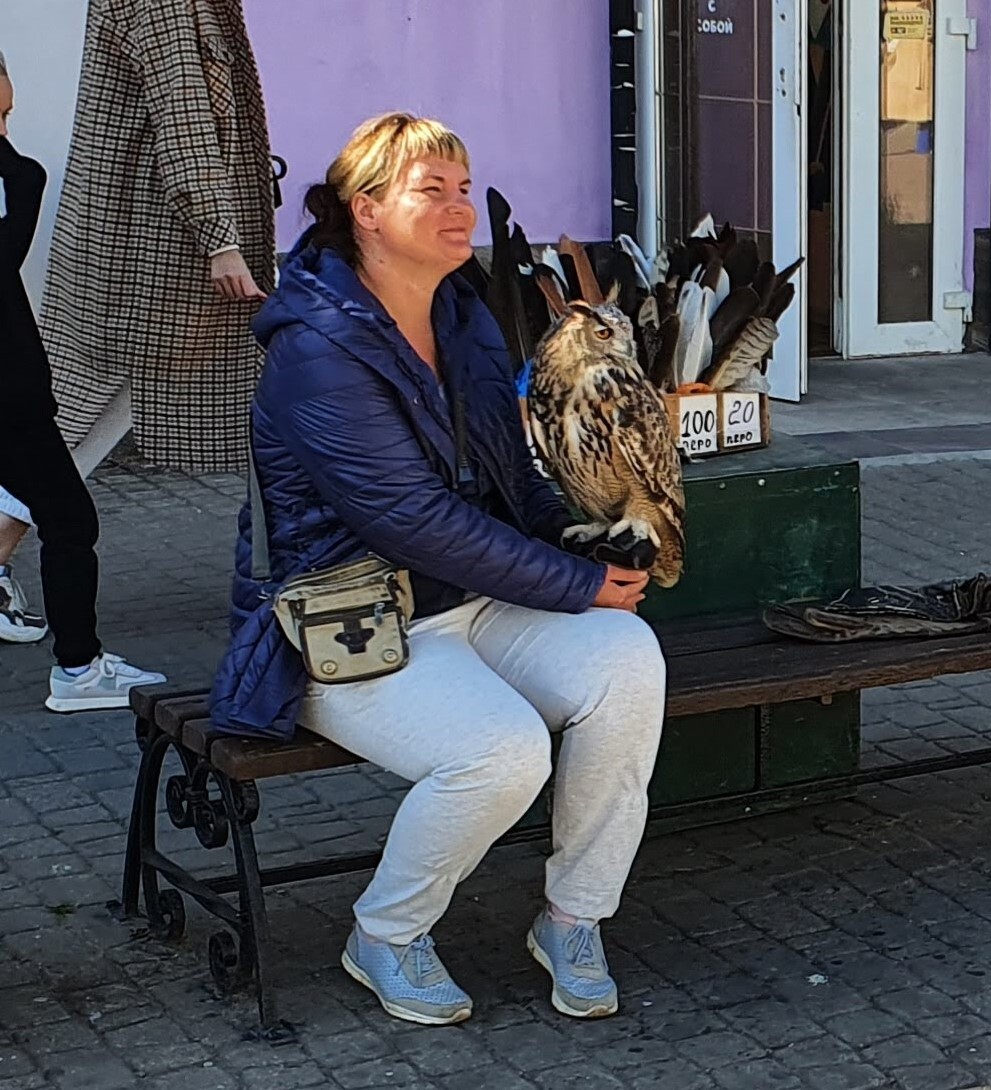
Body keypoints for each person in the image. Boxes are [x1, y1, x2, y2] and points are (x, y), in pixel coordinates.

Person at [207, 113, 667, 1025]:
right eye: (432, 191)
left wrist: (584, 545)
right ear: (365, 210)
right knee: (499, 752)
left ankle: (574, 915)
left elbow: (511, 471)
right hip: (345, 622)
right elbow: (412, 521)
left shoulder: (460, 317)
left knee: (626, 661)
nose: (459, 210)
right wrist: (572, 585)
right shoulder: (314, 351)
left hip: (474, 601)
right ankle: (386, 931)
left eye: (464, 189)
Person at [0, 0, 277, 598]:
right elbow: (183, 117)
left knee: (92, 405)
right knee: (81, 404)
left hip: (144, 239)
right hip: (152, 246)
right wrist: (220, 239)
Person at [0, 51, 167, 710]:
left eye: (8, 114)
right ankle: (78, 669)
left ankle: (80, 664)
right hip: (8, 391)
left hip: (16, 386)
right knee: (69, 519)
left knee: (57, 514)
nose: (5, 130)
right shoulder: (14, 175)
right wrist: (18, 170)